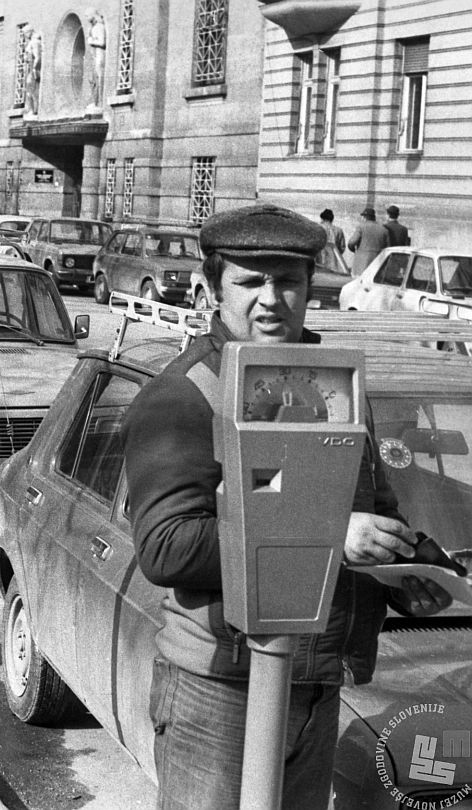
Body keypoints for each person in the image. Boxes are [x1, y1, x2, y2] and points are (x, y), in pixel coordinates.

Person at [120, 203, 451, 810]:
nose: (271, 300)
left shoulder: (337, 387)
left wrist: (402, 567)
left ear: (309, 288)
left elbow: (371, 505)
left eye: (288, 281)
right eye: (249, 282)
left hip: (318, 683)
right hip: (220, 690)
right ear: (209, 289)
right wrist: (331, 537)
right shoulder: (184, 396)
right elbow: (166, 547)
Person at [348, 205, 389, 275]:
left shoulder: (361, 227)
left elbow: (352, 243)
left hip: (361, 262)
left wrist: (354, 250)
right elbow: (388, 247)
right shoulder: (384, 230)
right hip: (377, 262)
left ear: (364, 217)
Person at [86, 10, 107, 110]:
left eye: (87, 15)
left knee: (99, 77)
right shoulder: (94, 28)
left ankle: (99, 102)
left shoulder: (99, 27)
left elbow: (102, 42)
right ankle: (96, 101)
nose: (86, 18)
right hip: (95, 56)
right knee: (93, 79)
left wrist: (91, 41)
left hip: (100, 55)